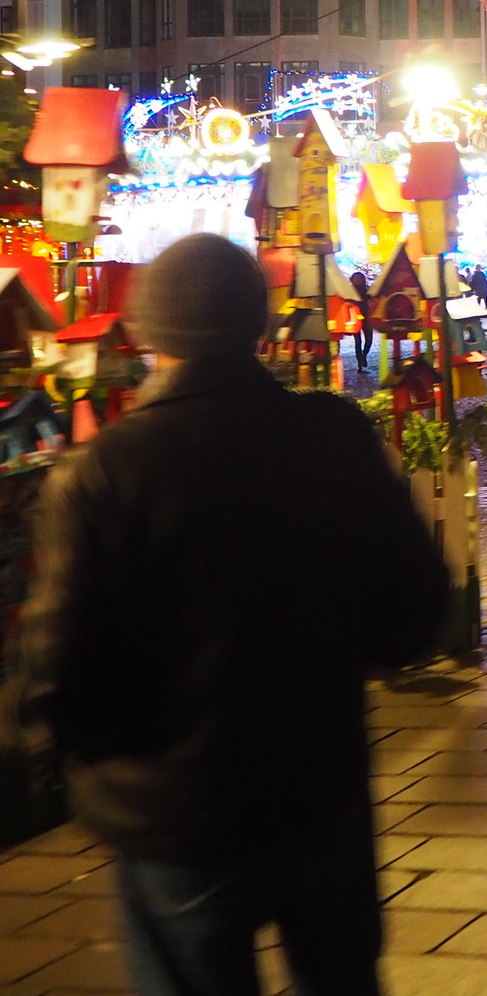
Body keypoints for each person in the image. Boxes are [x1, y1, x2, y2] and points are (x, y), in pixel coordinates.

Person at [12, 232, 449, 996]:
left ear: (151, 333)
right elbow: (414, 601)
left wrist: (60, 761)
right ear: (260, 326)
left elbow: (60, 651)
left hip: (170, 804)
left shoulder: (109, 467)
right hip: (318, 781)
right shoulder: (332, 437)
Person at [348, 267, 372, 371]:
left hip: (366, 317)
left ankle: (363, 356)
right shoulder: (349, 291)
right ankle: (360, 364)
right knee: (358, 341)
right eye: (355, 279)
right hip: (355, 318)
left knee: (368, 340)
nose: (357, 281)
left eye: (359, 278)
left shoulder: (367, 290)